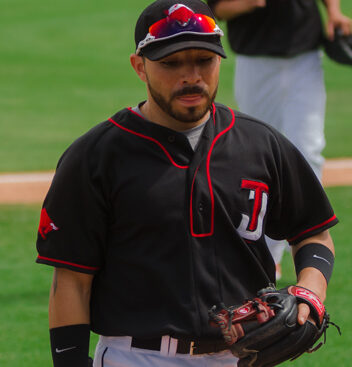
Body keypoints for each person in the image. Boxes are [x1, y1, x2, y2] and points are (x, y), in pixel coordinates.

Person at [35, 0, 338, 366]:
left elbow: (313, 232)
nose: (191, 76)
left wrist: (310, 291)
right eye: (171, 63)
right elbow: (71, 279)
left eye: (204, 60)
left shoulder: (261, 144)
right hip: (136, 357)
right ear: (139, 67)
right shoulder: (97, 156)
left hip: (242, 357)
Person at [207, 0, 351, 280]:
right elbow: (216, 8)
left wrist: (333, 11)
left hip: (305, 56)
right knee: (256, 154)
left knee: (308, 150)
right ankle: (265, 252)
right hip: (255, 60)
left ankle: (308, 241)